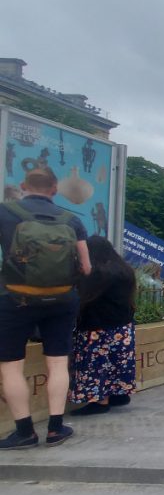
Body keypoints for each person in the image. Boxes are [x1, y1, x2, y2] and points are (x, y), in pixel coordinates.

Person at [0, 166, 90, 449]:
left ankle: (24, 431)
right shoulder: (71, 219)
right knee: (58, 363)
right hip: (62, 299)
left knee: (11, 367)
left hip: (15, 298)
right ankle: (55, 427)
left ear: (24, 186)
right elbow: (86, 267)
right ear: (54, 190)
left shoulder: (5, 212)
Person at [68, 235, 137, 416]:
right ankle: (119, 394)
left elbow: (83, 299)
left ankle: (100, 401)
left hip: (97, 328)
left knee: (95, 365)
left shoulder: (96, 273)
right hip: (123, 328)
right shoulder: (125, 271)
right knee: (118, 363)